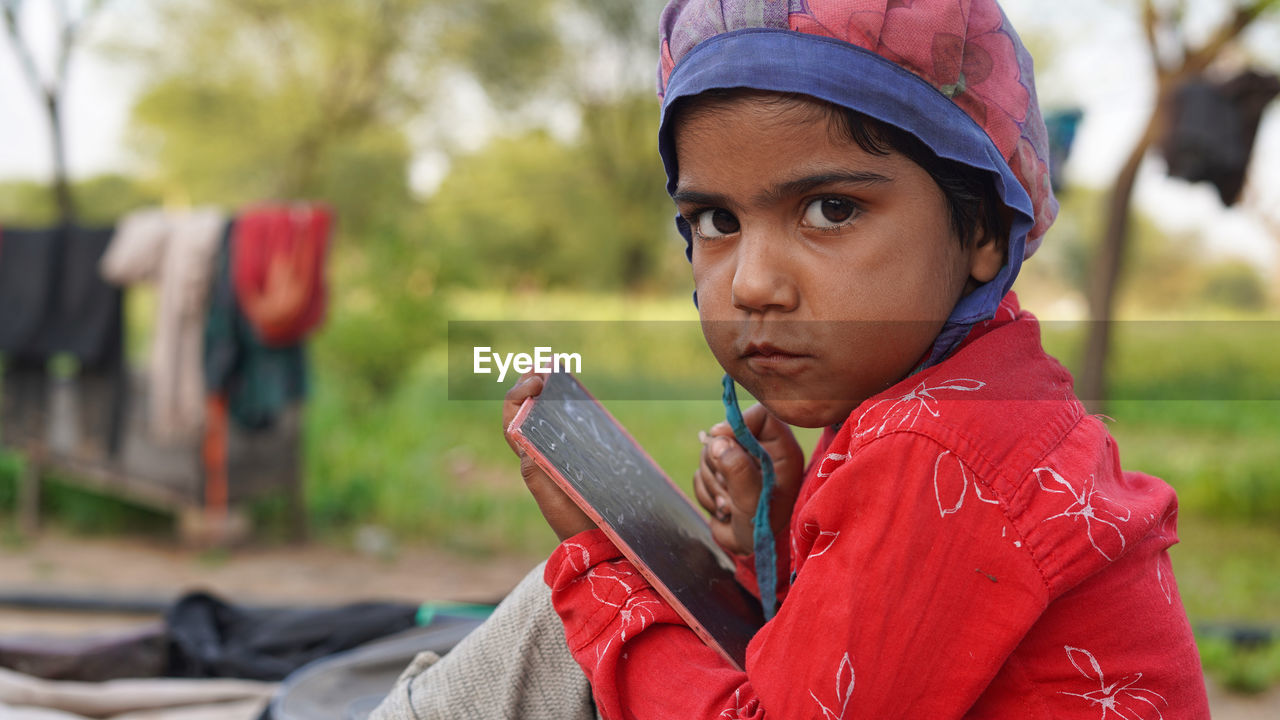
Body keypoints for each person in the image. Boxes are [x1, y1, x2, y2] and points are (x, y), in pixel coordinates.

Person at [373, 1, 1210, 717]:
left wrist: (602, 570)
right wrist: (778, 537)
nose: (754, 283)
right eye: (716, 222)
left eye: (832, 208)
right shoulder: (976, 400)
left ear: (984, 230)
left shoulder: (941, 447)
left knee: (558, 626)